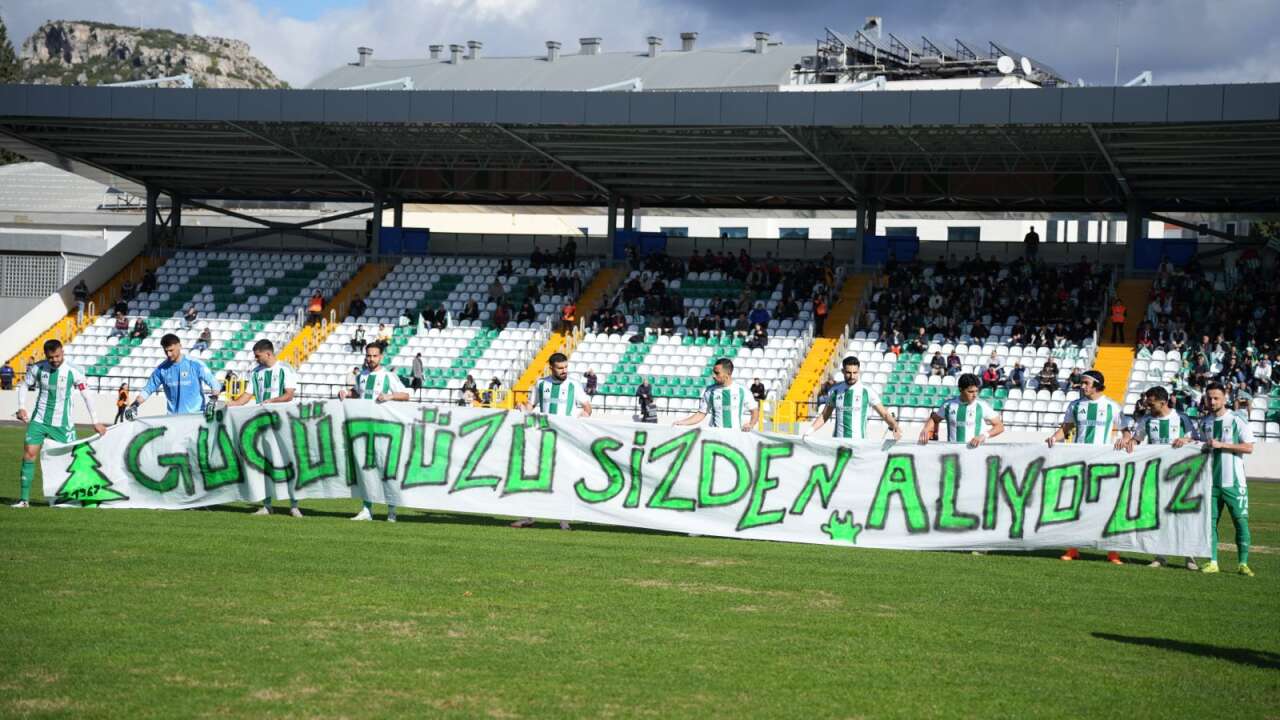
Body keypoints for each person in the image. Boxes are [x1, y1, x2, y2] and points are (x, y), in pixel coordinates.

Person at [10, 339, 108, 508]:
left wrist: (96, 421)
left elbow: (87, 396)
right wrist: (21, 407)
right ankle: (24, 500)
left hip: (63, 424)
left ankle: (80, 497)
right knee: (29, 454)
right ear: (45, 356)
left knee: (72, 460)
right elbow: (24, 385)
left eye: (57, 356)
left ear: (62, 352)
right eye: (50, 357)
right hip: (39, 420)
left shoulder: (74, 371)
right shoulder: (37, 368)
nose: (54, 360)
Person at [1046, 370, 1125, 565]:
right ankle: (1073, 548)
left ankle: (1112, 551)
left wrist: (1127, 440)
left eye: (1086, 383)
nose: (1082, 386)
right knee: (1078, 506)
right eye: (1082, 383)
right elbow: (1066, 429)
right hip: (1080, 461)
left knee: (1107, 507)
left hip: (1104, 463)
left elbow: (1126, 431)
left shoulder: (1112, 407)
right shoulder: (1075, 405)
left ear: (1097, 385)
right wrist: (1053, 438)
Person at [1120, 386, 1200, 570]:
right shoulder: (1147, 419)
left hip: (1180, 473)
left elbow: (1196, 439)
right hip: (1157, 474)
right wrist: (1129, 443)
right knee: (1159, 515)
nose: (1148, 405)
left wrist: (1185, 440)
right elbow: (1137, 440)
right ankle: (1160, 555)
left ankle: (1189, 557)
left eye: (1151, 402)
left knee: (1182, 515)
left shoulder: (1181, 418)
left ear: (1163, 403)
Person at [514, 352, 592, 529]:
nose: (564, 370)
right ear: (552, 368)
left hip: (566, 440)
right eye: (560, 368)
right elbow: (530, 406)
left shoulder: (574, 385)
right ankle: (528, 517)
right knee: (534, 477)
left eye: (566, 367)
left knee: (563, 479)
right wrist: (522, 407)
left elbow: (587, 406)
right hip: (543, 436)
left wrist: (585, 414)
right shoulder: (541, 384)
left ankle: (564, 519)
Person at [228, 339, 302, 517]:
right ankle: (267, 505)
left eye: (258, 356)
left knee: (288, 462)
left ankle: (294, 504)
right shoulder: (255, 372)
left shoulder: (285, 369)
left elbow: (289, 395)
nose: (256, 359)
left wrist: (272, 401)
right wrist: (230, 405)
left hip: (282, 423)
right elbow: (247, 396)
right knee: (263, 464)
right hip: (262, 423)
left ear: (268, 353)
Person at [339, 344, 410, 522]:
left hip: (384, 430)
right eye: (368, 356)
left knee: (387, 471)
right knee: (367, 470)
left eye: (374, 356)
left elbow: (407, 395)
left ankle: (391, 511)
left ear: (381, 357)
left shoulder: (388, 376)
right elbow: (358, 393)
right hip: (364, 429)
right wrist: (346, 393)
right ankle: (367, 509)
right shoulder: (361, 375)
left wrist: (390, 396)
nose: (371, 359)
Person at [1195, 382, 1256, 576]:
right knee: (1210, 524)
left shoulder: (1237, 420)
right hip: (1211, 482)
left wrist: (1223, 445)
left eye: (1216, 398)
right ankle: (1213, 562)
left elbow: (1249, 447)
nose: (1212, 402)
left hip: (1234, 482)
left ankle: (1243, 563)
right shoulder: (1205, 422)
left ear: (1225, 398)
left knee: (1240, 521)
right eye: (1209, 398)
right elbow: (1202, 444)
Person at [809, 356, 901, 441]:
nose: (852, 376)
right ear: (843, 371)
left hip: (859, 444)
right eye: (849, 373)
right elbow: (824, 415)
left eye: (855, 373)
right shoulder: (834, 391)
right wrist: (809, 432)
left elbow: (884, 414)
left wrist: (895, 426)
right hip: (838, 443)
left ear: (858, 371)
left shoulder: (867, 391)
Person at [129, 334, 220, 417]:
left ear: (179, 346)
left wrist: (213, 400)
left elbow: (215, 384)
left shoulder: (195, 364)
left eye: (171, 350)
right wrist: (135, 405)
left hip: (196, 417)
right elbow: (147, 390)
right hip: (173, 420)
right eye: (166, 351)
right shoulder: (161, 370)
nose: (168, 354)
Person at [919, 373, 1004, 447]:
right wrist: (926, 429)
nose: (974, 395)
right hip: (953, 455)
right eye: (970, 392)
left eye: (976, 391)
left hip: (976, 454)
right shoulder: (948, 405)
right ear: (960, 389)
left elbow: (1000, 426)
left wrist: (984, 435)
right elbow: (934, 419)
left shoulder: (982, 406)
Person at [675, 358, 760, 431]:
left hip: (736, 437)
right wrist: (681, 422)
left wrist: (751, 424)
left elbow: (755, 411)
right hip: (715, 437)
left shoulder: (742, 390)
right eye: (713, 372)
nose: (713, 376)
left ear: (728, 374)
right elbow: (701, 414)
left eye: (717, 373)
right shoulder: (710, 391)